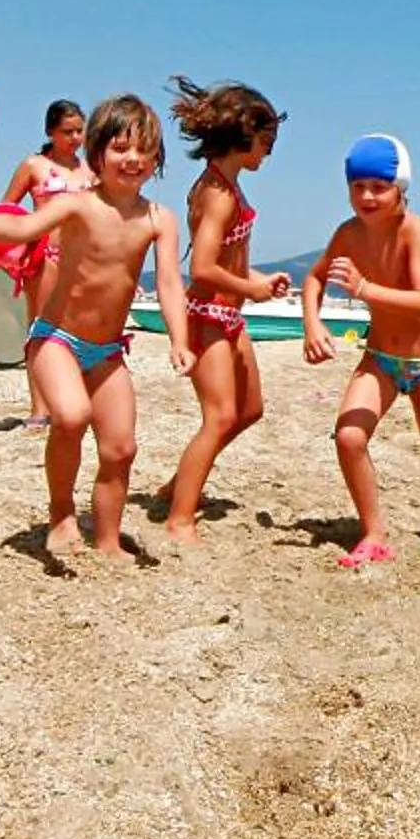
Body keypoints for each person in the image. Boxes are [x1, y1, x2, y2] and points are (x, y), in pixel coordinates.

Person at [0, 95, 189, 561]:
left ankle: (109, 539)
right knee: (70, 417)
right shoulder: (78, 205)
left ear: (156, 158)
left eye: (144, 150)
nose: (132, 159)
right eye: (119, 148)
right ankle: (61, 514)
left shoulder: (159, 219)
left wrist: (180, 339)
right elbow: (24, 227)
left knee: (121, 448)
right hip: (55, 338)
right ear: (96, 153)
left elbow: (170, 283)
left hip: (108, 350)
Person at [303, 133, 420, 567]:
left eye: (379, 186)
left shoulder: (414, 230)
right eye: (358, 186)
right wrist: (312, 322)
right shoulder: (347, 232)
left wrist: (364, 288)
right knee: (349, 436)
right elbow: (315, 278)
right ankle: (374, 533)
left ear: (401, 189)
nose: (367, 196)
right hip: (380, 357)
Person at [158, 76, 290, 542]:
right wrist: (248, 289)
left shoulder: (229, 187)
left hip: (229, 316)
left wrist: (258, 282)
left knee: (249, 409)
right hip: (207, 316)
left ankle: (178, 485)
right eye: (266, 141)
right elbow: (204, 269)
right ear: (243, 136)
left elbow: (229, 264)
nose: (269, 152)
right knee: (218, 417)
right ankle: (179, 518)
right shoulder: (215, 193)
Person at [0, 99, 98, 428]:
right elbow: (7, 208)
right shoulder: (34, 165)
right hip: (45, 256)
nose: (75, 137)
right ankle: (39, 407)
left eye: (80, 131)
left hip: (83, 259)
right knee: (41, 330)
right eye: (67, 131)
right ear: (50, 132)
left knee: (79, 331)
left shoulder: (90, 169)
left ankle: (72, 400)